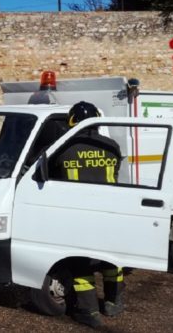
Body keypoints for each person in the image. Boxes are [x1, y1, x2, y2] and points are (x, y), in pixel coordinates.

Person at [51, 101, 125, 328]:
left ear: (72, 122)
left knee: (81, 264)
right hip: (109, 212)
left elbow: (54, 177)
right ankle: (114, 303)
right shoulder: (112, 146)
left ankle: (88, 311)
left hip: (80, 215)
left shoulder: (63, 148)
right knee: (112, 261)